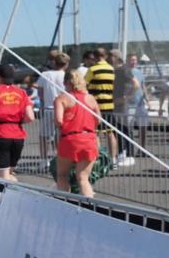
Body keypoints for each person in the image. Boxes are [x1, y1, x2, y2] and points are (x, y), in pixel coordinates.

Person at [0, 63, 35, 181]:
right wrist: (17, 121)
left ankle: (9, 191)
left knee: (3, 176)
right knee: (9, 173)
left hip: (0, 134)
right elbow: (30, 117)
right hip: (18, 135)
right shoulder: (21, 92)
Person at [54, 69, 100, 197]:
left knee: (62, 175)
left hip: (70, 139)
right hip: (89, 138)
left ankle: (63, 202)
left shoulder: (61, 99)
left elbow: (58, 120)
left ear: (66, 82)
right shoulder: (91, 98)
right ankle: (89, 205)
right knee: (83, 178)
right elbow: (98, 120)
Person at [85, 47, 122, 166]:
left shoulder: (93, 69)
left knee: (96, 133)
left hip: (96, 105)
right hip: (109, 103)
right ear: (105, 56)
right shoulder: (112, 69)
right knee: (110, 132)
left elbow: (84, 85)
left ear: (94, 57)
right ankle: (113, 159)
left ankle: (99, 158)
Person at [38, 51, 70, 164]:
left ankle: (44, 160)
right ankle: (61, 158)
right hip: (64, 109)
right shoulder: (67, 75)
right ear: (66, 64)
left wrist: (43, 102)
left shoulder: (45, 74)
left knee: (44, 136)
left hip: (49, 108)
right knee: (62, 135)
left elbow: (40, 92)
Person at [126, 54, 149, 158]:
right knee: (128, 127)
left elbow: (143, 86)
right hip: (129, 104)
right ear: (127, 60)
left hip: (140, 103)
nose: (133, 62)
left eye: (135, 60)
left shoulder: (139, 72)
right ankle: (128, 149)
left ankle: (142, 148)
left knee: (143, 126)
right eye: (131, 60)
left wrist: (147, 98)